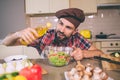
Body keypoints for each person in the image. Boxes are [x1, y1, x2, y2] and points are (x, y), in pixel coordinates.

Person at [1, 8, 103, 60]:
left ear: (75, 31)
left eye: (68, 27)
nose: (62, 30)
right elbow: (6, 43)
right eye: (61, 23)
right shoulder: (44, 36)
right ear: (57, 22)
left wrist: (84, 53)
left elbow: (99, 53)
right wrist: (17, 34)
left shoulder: (78, 38)